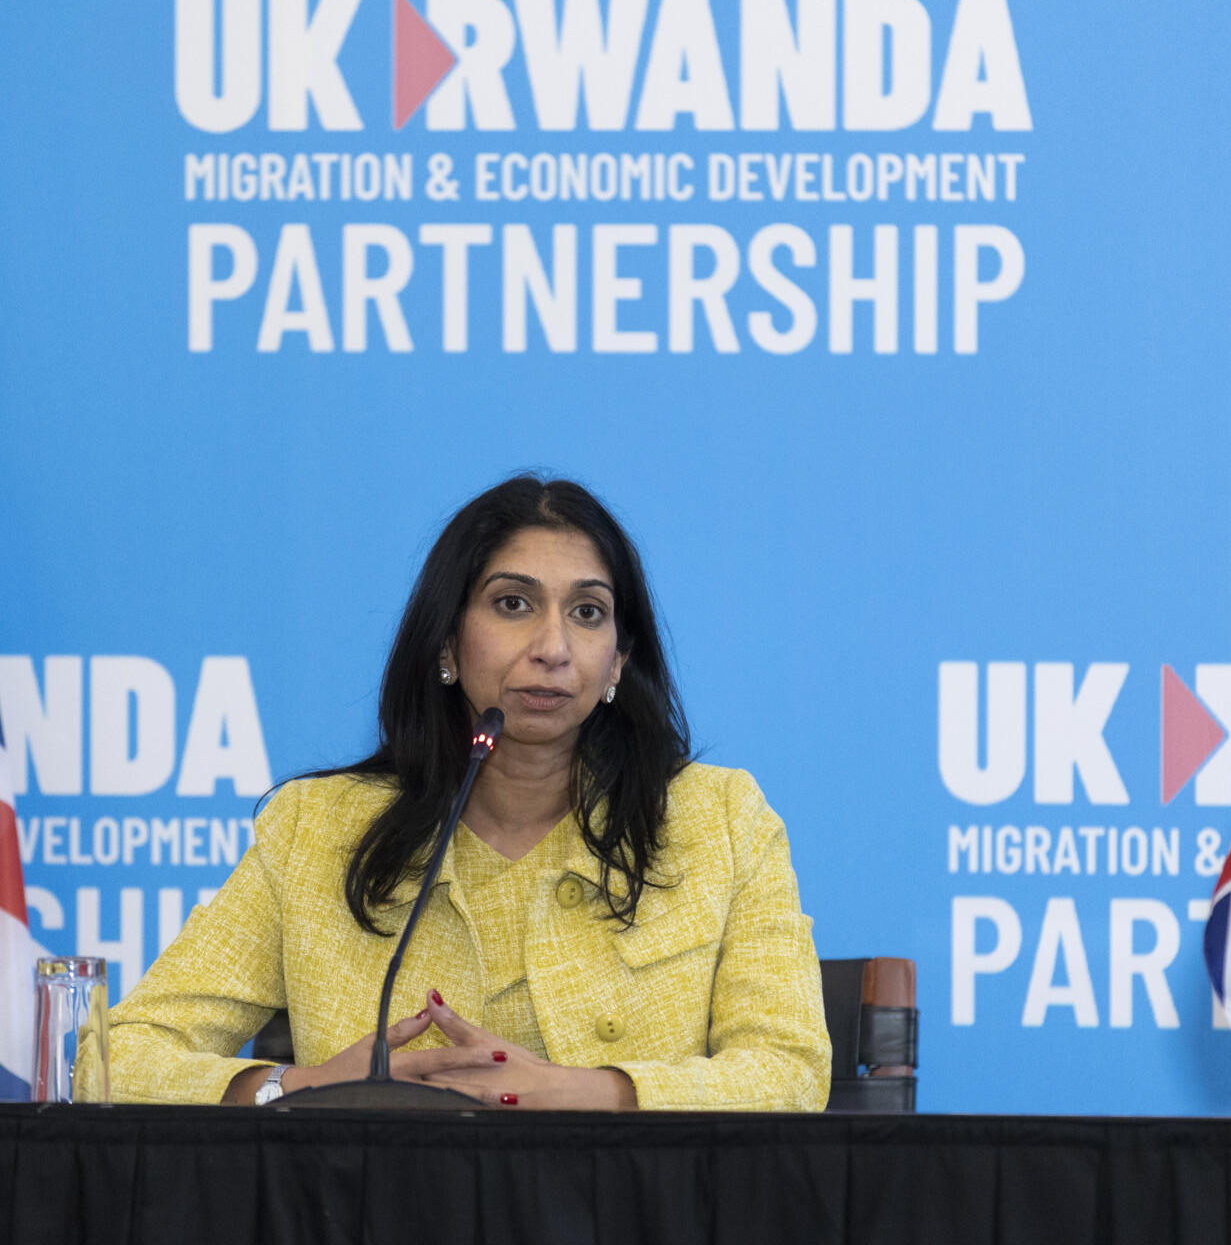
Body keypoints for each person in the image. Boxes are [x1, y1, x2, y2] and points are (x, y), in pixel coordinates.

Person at [107, 476, 831, 1110]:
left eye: (587, 613)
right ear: (447, 643)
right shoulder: (316, 831)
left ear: (618, 661)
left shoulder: (718, 820)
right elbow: (117, 1058)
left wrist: (591, 1093)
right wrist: (300, 1087)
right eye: (514, 604)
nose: (553, 648)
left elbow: (791, 1072)